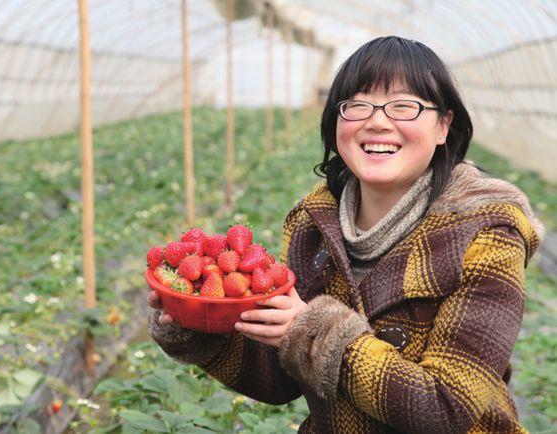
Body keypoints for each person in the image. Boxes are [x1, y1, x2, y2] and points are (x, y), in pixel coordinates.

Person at [147, 36, 545, 433]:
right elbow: (282, 377)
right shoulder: (313, 225)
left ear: (444, 125)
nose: (377, 121)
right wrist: (201, 326)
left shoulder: (485, 235)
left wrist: (319, 331)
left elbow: (444, 408)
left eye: (404, 106)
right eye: (357, 104)